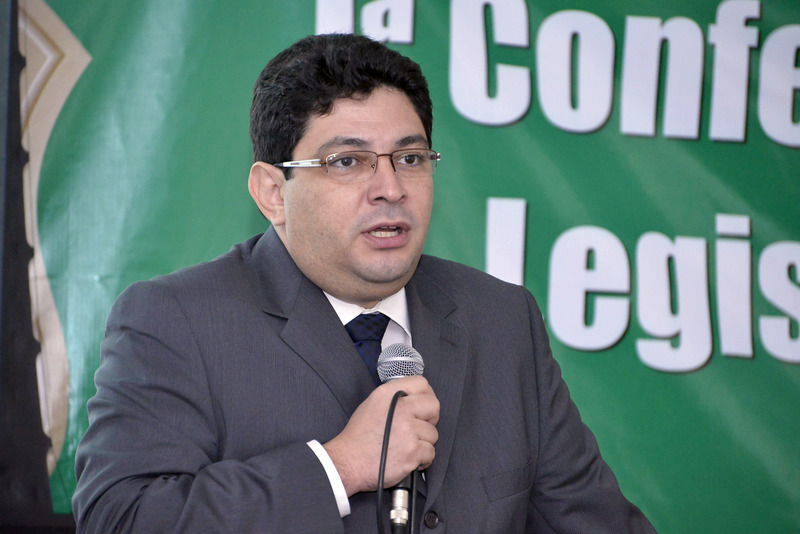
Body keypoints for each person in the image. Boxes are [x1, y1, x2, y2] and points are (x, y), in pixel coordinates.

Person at [72, 33, 656, 533]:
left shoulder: (501, 319)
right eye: (348, 162)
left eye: (410, 158)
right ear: (273, 193)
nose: (391, 188)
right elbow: (119, 518)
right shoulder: (177, 320)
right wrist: (338, 467)